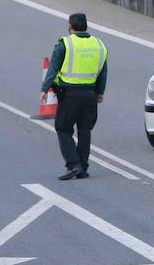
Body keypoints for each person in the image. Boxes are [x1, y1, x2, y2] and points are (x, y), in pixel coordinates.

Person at [40, 13, 107, 180]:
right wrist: (100, 92)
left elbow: (53, 69)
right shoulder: (99, 45)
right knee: (85, 130)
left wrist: (44, 89)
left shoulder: (65, 44)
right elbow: (103, 72)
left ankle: (73, 164)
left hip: (70, 95)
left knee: (63, 129)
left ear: (70, 27)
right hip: (90, 95)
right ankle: (83, 168)